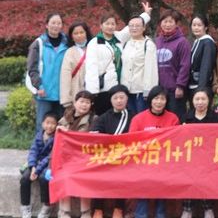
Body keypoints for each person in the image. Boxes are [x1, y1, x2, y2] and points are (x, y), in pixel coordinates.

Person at [86, 3, 152, 115]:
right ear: (101, 26)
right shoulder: (94, 43)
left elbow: (133, 26)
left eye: (113, 24)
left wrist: (146, 14)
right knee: (105, 115)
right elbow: (91, 68)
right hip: (103, 88)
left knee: (118, 115)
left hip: (119, 85)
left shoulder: (118, 37)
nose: (110, 26)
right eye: (107, 24)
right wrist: (92, 91)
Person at [130, 86, 180, 218]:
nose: (159, 102)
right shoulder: (138, 119)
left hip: (164, 164)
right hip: (143, 164)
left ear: (166, 101)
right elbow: (131, 142)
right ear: (150, 100)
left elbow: (176, 141)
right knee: (142, 196)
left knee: (161, 198)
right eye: (156, 98)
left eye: (162, 99)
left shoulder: (173, 118)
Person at [90, 85, 132, 218]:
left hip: (126, 157)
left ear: (127, 99)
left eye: (122, 97)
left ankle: (119, 208)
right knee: (98, 172)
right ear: (111, 100)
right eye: (115, 98)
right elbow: (93, 135)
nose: (119, 101)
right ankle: (97, 208)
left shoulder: (133, 116)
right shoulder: (103, 117)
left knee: (123, 174)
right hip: (105, 156)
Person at [182, 87, 218, 218]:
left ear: (209, 100)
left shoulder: (216, 117)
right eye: (197, 99)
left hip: (210, 159)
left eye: (203, 99)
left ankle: (208, 209)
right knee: (188, 177)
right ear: (192, 101)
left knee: (206, 179)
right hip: (190, 159)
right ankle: (187, 209)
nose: (200, 102)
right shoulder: (186, 117)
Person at [57, 91, 96, 218]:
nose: (84, 105)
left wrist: (67, 132)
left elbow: (88, 140)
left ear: (91, 105)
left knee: (84, 178)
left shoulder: (94, 119)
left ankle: (86, 212)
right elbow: (57, 141)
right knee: (63, 175)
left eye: (87, 102)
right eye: (81, 101)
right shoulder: (65, 118)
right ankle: (64, 212)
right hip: (66, 158)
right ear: (75, 102)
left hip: (84, 159)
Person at [27, 13, 68, 129]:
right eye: (53, 23)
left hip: (62, 93)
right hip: (44, 93)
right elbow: (32, 68)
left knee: (62, 126)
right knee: (43, 126)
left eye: (59, 23)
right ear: (46, 25)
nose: (56, 26)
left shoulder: (67, 43)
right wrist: (38, 86)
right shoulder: (39, 43)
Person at [20, 112, 57, 218]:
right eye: (47, 123)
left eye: (53, 123)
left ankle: (47, 206)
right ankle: (25, 206)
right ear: (42, 124)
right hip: (36, 164)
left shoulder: (57, 137)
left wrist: (37, 170)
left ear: (56, 125)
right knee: (25, 178)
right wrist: (32, 167)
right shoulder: (39, 135)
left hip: (48, 164)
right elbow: (33, 152)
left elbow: (50, 156)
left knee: (44, 178)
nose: (49, 126)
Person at [156, 10, 191, 122]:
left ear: (176, 24)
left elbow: (185, 65)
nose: (167, 24)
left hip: (175, 89)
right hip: (160, 89)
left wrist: (180, 85)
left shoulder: (182, 42)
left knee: (176, 119)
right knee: (162, 119)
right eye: (165, 21)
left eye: (170, 22)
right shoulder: (157, 41)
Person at [120, 15, 158, 115]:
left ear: (144, 28)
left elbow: (151, 70)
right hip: (126, 90)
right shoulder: (126, 44)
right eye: (131, 26)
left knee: (141, 117)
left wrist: (148, 91)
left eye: (137, 26)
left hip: (141, 91)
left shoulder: (148, 44)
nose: (134, 28)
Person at [59, 21, 92, 109]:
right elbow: (65, 76)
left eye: (81, 32)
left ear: (86, 33)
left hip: (92, 91)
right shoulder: (69, 52)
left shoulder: (93, 49)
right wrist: (66, 99)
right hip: (76, 90)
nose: (79, 35)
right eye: (76, 33)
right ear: (71, 36)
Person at [188, 15, 216, 103]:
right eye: (194, 25)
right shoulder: (197, 41)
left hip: (201, 86)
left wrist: (201, 88)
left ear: (206, 27)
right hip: (193, 84)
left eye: (199, 25)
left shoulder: (208, 43)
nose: (196, 28)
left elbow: (206, 67)